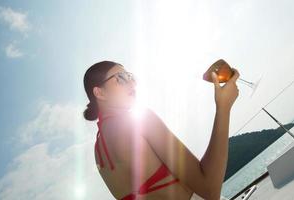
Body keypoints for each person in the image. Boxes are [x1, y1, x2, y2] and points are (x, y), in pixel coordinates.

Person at [83, 60, 239, 200]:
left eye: (130, 77)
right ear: (100, 93)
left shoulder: (99, 154)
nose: (132, 84)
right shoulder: (138, 121)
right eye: (121, 78)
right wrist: (223, 107)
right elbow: (209, 189)